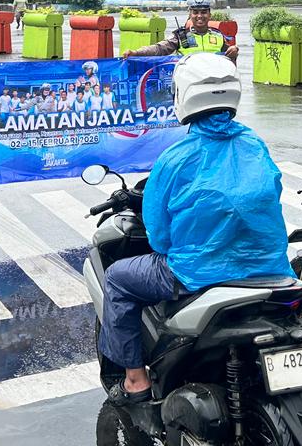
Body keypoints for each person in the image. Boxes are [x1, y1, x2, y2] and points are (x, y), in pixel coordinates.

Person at [98, 53, 291, 405]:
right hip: (271, 270)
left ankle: (136, 380)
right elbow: (270, 196)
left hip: (197, 273)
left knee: (117, 279)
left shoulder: (175, 158)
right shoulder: (254, 146)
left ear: (182, 96)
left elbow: (159, 237)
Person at [122, 0, 239, 62]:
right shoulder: (180, 36)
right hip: (188, 86)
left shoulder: (218, 36)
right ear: (190, 15)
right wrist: (136, 53)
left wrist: (234, 52)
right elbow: (159, 49)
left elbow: (229, 57)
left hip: (213, 85)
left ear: (209, 15)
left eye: (203, 12)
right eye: (195, 12)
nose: (199, 16)